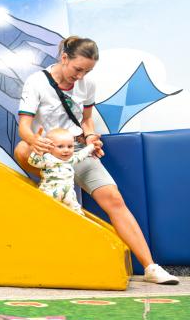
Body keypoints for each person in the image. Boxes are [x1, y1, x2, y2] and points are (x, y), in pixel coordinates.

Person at [15, 35, 179, 285]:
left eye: (87, 71)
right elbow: (24, 127)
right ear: (64, 58)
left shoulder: (87, 85)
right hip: (47, 152)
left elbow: (87, 120)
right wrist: (34, 141)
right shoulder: (37, 82)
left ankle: (150, 267)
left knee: (114, 198)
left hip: (76, 149)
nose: (80, 76)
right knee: (22, 148)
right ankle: (51, 184)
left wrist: (91, 136)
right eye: (77, 69)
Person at [28, 127, 98, 216]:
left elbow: (81, 154)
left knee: (77, 212)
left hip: (68, 193)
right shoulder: (47, 158)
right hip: (49, 191)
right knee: (44, 212)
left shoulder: (71, 160)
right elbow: (33, 161)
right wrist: (38, 150)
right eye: (60, 146)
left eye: (70, 146)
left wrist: (92, 146)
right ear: (49, 148)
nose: (66, 150)